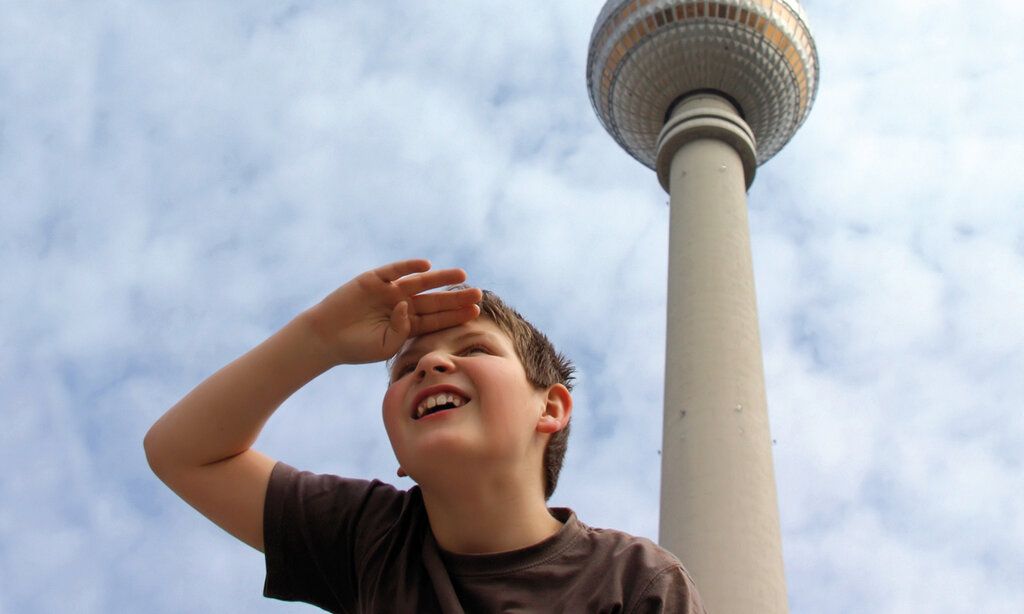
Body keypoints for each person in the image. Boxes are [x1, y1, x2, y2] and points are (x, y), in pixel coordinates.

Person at [145, 259, 705, 613]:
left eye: (475, 350)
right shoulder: (372, 536)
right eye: (404, 366)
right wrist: (318, 339)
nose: (431, 365)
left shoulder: (634, 580)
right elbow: (183, 452)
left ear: (551, 408)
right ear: (399, 456)